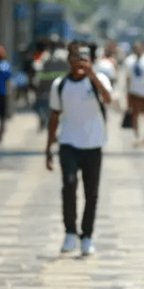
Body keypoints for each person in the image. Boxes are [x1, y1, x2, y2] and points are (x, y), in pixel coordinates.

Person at [45, 46, 113, 256]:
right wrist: (48, 147)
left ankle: (87, 236)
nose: (80, 61)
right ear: (69, 60)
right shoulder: (60, 84)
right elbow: (54, 116)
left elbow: (108, 99)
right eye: (76, 57)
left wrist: (92, 75)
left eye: (84, 58)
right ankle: (70, 232)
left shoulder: (98, 80)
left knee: (91, 193)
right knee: (69, 187)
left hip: (93, 144)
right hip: (68, 144)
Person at [34, 39, 70, 130]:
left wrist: (39, 88)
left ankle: (51, 128)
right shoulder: (65, 56)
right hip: (61, 89)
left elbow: (40, 74)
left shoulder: (45, 57)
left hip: (50, 89)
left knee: (51, 110)